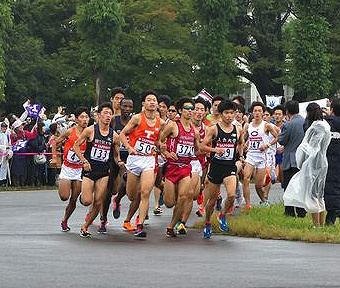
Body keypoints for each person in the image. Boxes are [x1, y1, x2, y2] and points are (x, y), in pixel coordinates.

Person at [120, 91, 165, 238]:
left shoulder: (161, 123)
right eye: (149, 100)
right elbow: (122, 134)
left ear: (157, 104)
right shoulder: (137, 118)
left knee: (146, 192)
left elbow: (157, 141)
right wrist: (129, 147)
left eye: (154, 100)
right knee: (132, 195)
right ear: (143, 104)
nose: (152, 102)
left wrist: (161, 146)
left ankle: (139, 224)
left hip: (149, 160)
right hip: (135, 159)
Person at [74, 102, 122, 237]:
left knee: (99, 201)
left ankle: (85, 227)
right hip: (89, 171)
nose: (108, 116)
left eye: (110, 113)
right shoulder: (90, 130)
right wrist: (84, 161)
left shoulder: (115, 136)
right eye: (105, 113)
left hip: (103, 172)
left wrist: (119, 162)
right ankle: (84, 197)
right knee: (87, 201)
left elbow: (116, 155)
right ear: (99, 115)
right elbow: (76, 146)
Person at [200, 100, 244, 238]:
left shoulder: (238, 129)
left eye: (232, 113)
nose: (230, 116)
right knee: (212, 201)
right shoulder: (214, 129)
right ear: (221, 114)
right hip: (216, 168)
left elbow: (241, 142)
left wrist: (241, 155)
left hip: (229, 167)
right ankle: (207, 223)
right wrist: (215, 149)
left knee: (231, 195)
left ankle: (222, 215)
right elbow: (202, 147)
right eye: (226, 113)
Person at [283, 103, 331, 227]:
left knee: (312, 195)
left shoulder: (317, 127)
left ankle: (316, 225)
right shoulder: (325, 124)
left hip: (313, 163)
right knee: (319, 195)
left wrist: (302, 161)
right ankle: (320, 225)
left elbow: (311, 148)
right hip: (322, 162)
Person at [160, 97, 200, 237]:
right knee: (169, 203)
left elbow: (197, 149)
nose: (190, 111)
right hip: (172, 167)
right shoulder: (173, 126)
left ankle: (171, 226)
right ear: (180, 111)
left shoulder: (194, 131)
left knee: (183, 197)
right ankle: (163, 186)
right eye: (187, 109)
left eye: (192, 109)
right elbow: (159, 141)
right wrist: (165, 152)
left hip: (185, 168)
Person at [51, 107, 90, 232]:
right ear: (77, 119)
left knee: (73, 199)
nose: (85, 120)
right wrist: (55, 157)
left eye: (87, 117)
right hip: (67, 168)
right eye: (82, 117)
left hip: (79, 171)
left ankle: (65, 220)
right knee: (64, 196)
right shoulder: (70, 132)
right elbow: (55, 143)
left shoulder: (90, 134)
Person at [99, 98, 135, 233]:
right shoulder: (114, 120)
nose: (127, 109)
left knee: (127, 182)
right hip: (114, 158)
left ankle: (118, 199)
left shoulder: (134, 121)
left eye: (129, 107)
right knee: (108, 190)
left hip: (130, 158)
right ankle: (103, 219)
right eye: (124, 106)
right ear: (120, 106)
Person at [243, 102, 278, 210]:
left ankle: (264, 201)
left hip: (262, 157)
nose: (257, 113)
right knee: (246, 179)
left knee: (258, 186)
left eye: (259, 111)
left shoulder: (266, 125)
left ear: (263, 113)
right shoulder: (248, 125)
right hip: (251, 156)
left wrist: (267, 145)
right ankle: (248, 205)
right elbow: (246, 138)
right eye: (255, 111)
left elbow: (277, 138)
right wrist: (245, 144)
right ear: (252, 112)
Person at [278, 100, 307, 218]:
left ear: (287, 111)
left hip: (290, 160)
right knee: (301, 186)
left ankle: (289, 211)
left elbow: (282, 140)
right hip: (303, 159)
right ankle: (302, 211)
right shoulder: (306, 122)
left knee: (288, 186)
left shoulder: (288, 124)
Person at [323, 99, 340, 226]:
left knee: (330, 190)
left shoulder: (326, 123)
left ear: (332, 109)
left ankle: (330, 220)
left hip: (328, 161)